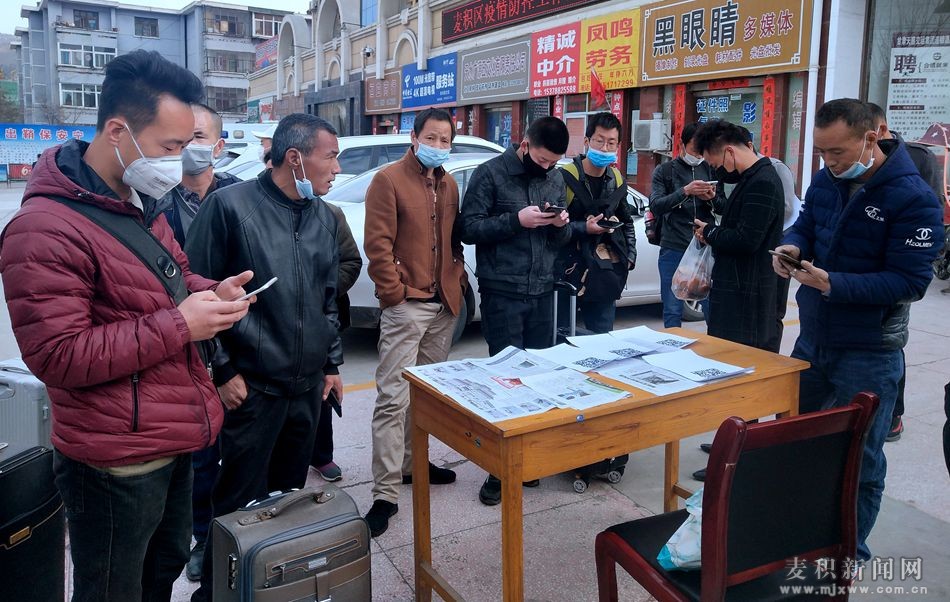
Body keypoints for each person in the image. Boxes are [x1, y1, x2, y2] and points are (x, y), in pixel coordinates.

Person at [0, 49, 253, 602]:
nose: (180, 160)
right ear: (118, 131)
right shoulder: (42, 229)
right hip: (114, 459)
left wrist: (213, 292)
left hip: (172, 433)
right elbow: (58, 356)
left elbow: (171, 277)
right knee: (114, 588)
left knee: (161, 571)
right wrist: (181, 325)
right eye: (170, 146)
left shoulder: (139, 199)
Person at [774, 98, 943, 561]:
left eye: (838, 152)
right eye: (822, 153)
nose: (829, 163)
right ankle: (797, 537)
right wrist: (792, 248)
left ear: (872, 139)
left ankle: (846, 556)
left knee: (859, 459)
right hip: (813, 339)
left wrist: (833, 283)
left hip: (869, 350)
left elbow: (910, 283)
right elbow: (807, 225)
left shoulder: (914, 199)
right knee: (794, 439)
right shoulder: (827, 180)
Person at [185, 114, 345, 600]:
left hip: (305, 391)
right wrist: (222, 371)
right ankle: (216, 593)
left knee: (286, 502)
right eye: (331, 157)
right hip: (250, 389)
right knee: (235, 508)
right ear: (295, 158)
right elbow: (193, 296)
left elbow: (327, 299)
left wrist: (331, 364)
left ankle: (273, 588)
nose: (337, 168)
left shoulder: (324, 216)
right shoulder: (229, 207)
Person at [361, 108, 468, 536]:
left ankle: (412, 464)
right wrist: (395, 294)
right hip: (407, 305)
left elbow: (453, 240)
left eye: (446, 140)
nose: (438, 146)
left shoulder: (450, 183)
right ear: (414, 136)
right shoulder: (387, 180)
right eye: (432, 137)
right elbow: (377, 246)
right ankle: (385, 494)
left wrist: (456, 279)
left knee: (425, 398)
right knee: (393, 399)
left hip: (443, 306)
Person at [458, 115, 571, 506]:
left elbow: (559, 240)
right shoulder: (489, 174)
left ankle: (528, 461)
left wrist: (560, 224)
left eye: (553, 163)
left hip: (542, 290)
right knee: (506, 382)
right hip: (502, 291)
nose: (547, 168)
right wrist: (516, 220)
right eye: (541, 160)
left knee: (538, 381)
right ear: (524, 144)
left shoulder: (556, 178)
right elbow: (468, 229)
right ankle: (498, 469)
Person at [152, 102, 242, 583]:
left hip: (241, 344)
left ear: (219, 146)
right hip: (187, 349)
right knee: (200, 456)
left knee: (241, 450)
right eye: (182, 139)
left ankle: (241, 532)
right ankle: (203, 536)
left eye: (199, 138)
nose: (189, 148)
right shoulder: (155, 202)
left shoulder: (242, 197)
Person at [868, 102, 944, 443]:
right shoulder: (846, 163)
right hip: (857, 268)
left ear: (880, 129)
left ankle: (893, 415)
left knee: (891, 342)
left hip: (897, 266)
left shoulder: (917, 157)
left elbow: (929, 210)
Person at [692, 119, 784, 351]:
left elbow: (746, 240)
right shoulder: (751, 178)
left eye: (715, 164)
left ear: (730, 152)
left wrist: (710, 232)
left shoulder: (762, 182)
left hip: (747, 299)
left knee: (739, 359)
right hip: (739, 293)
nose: (717, 171)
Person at [556, 112, 636, 333]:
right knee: (562, 335)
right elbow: (553, 226)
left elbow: (627, 221)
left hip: (603, 270)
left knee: (603, 336)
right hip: (568, 270)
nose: (604, 148)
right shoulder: (564, 177)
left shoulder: (616, 179)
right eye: (599, 141)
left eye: (611, 143)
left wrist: (630, 256)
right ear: (586, 141)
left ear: (618, 146)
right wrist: (584, 228)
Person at [308, 203, 362, 482]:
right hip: (276, 318)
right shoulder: (258, 211)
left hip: (323, 315)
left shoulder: (331, 213)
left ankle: (321, 455)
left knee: (324, 385)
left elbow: (351, 261)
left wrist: (321, 291)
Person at [649, 123, 720, 327]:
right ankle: (672, 345)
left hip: (704, 247)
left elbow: (724, 206)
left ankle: (714, 345)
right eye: (695, 149)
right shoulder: (665, 171)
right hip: (674, 246)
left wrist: (712, 198)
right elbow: (656, 205)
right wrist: (685, 191)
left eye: (702, 150)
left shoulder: (712, 169)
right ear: (682, 145)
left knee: (712, 306)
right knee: (672, 307)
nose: (698, 155)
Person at [161, 103, 239, 246]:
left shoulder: (238, 193)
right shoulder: (158, 200)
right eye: (182, 136)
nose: (188, 144)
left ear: (219, 147)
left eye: (198, 136)